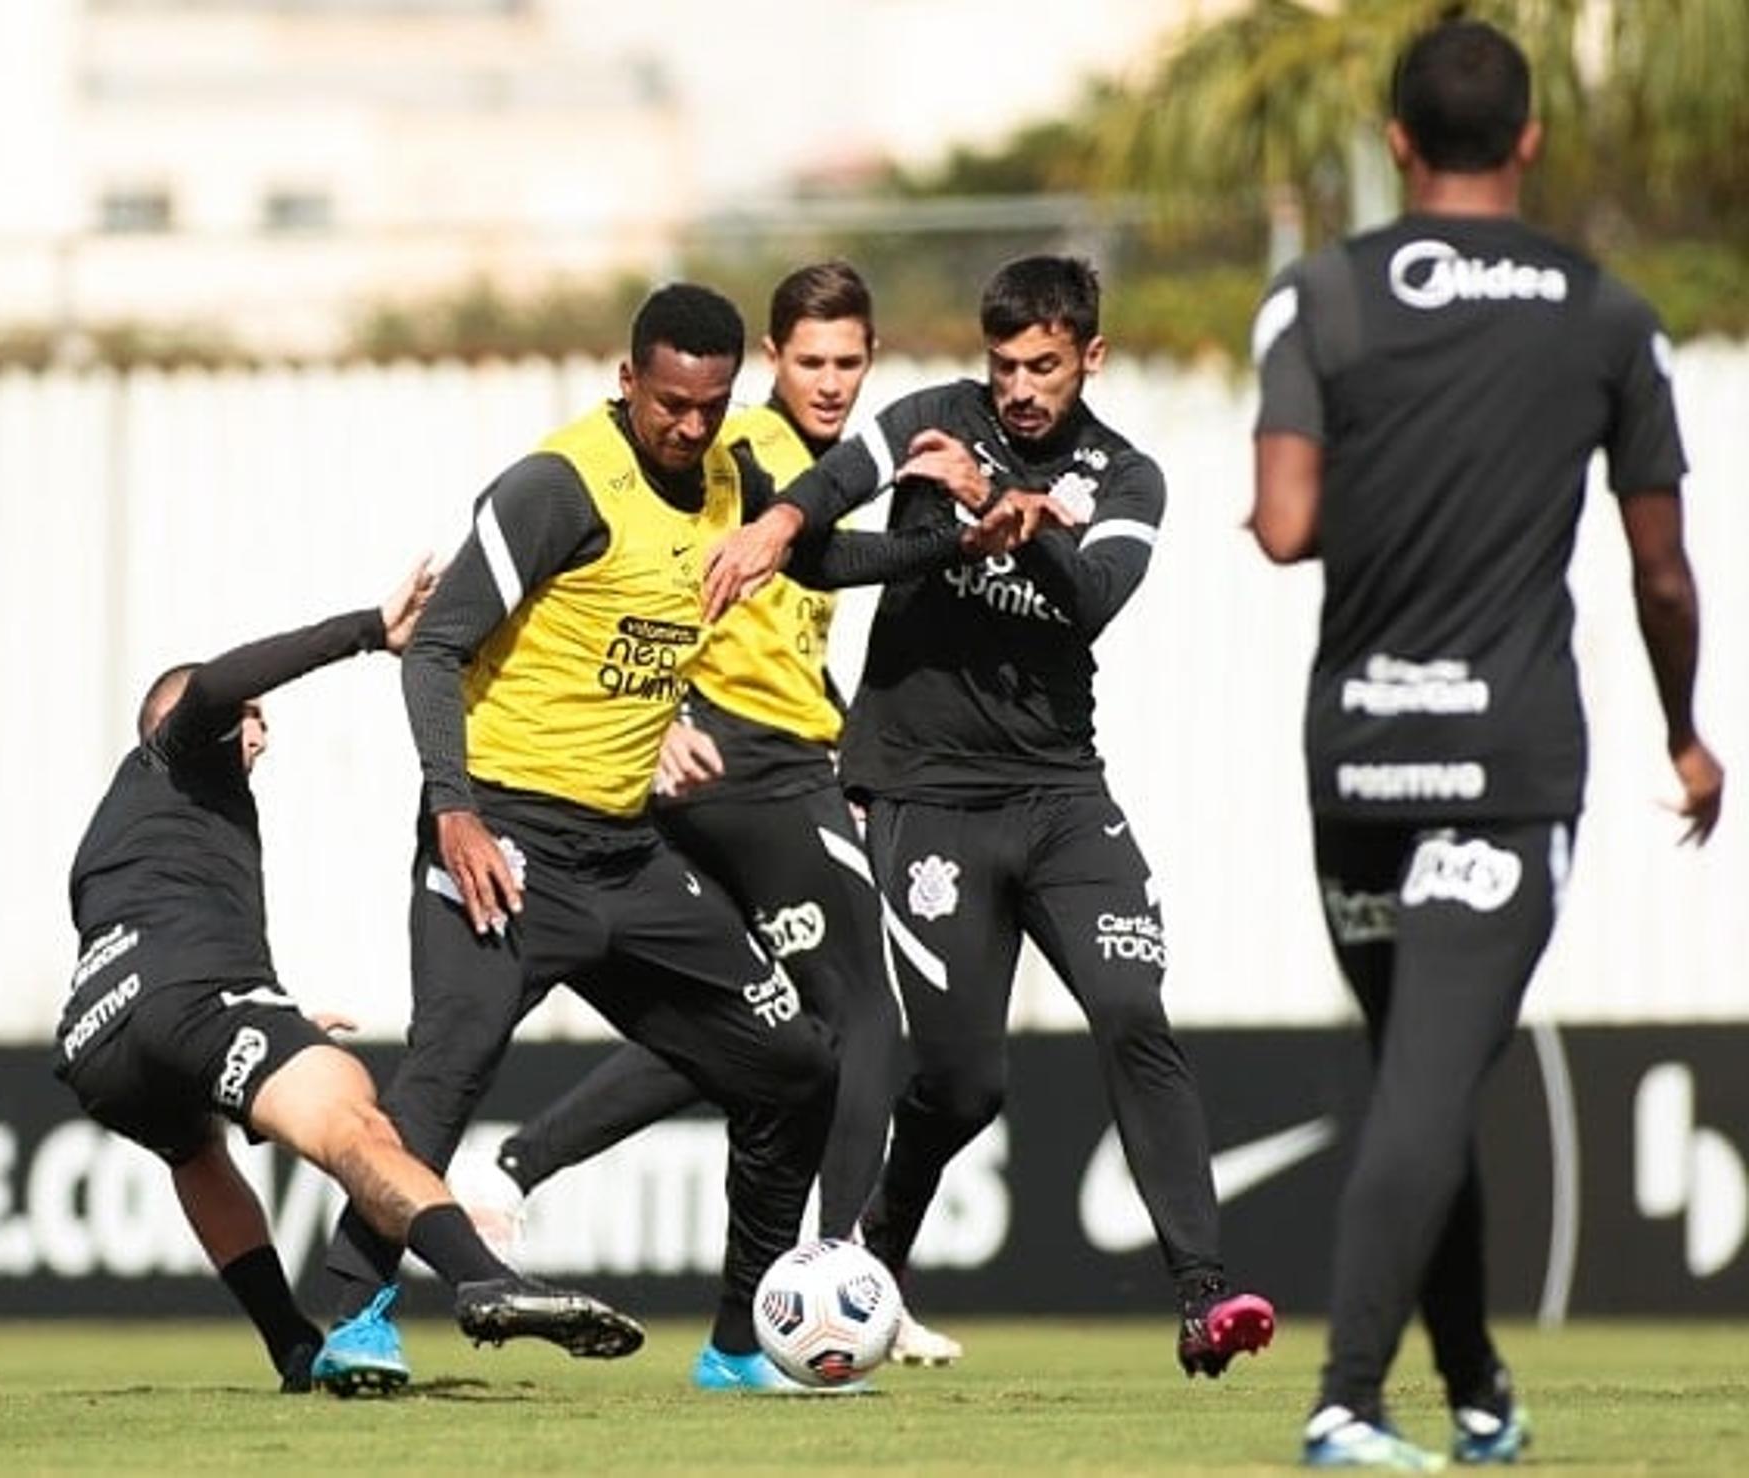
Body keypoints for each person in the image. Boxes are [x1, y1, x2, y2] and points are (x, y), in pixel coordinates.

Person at [315, 282, 1019, 1394]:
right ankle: (352, 1319)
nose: (690, 427)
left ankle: (744, 1344)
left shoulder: (738, 476)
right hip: (504, 840)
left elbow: (816, 559)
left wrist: (945, 537)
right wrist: (453, 809)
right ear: (629, 379)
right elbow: (436, 647)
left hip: (627, 854)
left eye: (710, 405)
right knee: (443, 1077)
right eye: (671, 404)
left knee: (792, 1067)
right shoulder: (557, 487)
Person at [1250, 18, 1724, 1469]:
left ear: (1397, 140)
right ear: (1527, 140)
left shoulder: (1316, 297)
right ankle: (1342, 1397)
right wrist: (1687, 732)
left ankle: (1475, 1391)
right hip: (1505, 769)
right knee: (1430, 1079)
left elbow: (1282, 528)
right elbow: (1660, 571)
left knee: (1416, 1069)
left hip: (1358, 757)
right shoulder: (1605, 315)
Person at [703, 254, 1278, 1380]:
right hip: (924, 797)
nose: (1020, 388)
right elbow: (832, 494)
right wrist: (775, 527)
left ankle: (1203, 1293)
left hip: (1063, 795)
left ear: (1090, 360)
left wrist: (1003, 507)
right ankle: (876, 1256)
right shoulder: (931, 421)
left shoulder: (1128, 475)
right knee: (967, 1081)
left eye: (1045, 367)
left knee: (1130, 1006)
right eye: (1006, 364)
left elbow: (1095, 597)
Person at [467, 261, 961, 1368]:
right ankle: (847, 1271)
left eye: (849, 362)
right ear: (772, 362)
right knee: (868, 1018)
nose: (831, 382)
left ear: (870, 359)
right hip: (742, 764)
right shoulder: (734, 453)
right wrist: (674, 707)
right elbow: (650, 580)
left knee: (748, 1031)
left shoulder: (818, 468)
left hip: (780, 753)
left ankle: (518, 1165)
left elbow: (809, 590)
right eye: (811, 361)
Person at [54, 560, 645, 1398]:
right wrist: (371, 630)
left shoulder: (130, 824)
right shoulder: (175, 752)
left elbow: (170, 931)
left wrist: (271, 1012)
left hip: (96, 1040)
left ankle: (292, 1345)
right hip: (188, 1005)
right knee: (354, 1124)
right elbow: (219, 680)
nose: (258, 729)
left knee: (194, 1152)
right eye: (248, 719)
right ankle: (482, 1278)